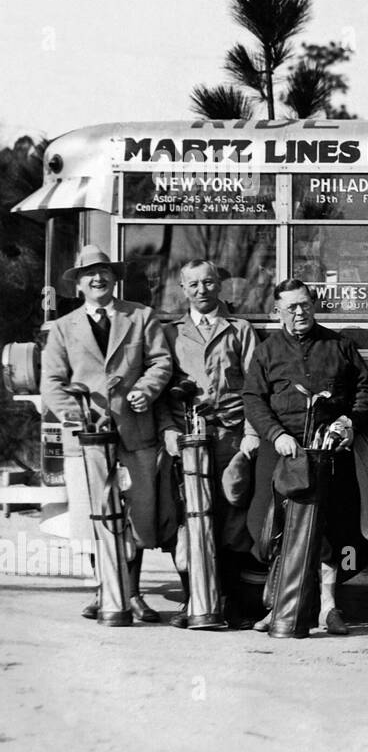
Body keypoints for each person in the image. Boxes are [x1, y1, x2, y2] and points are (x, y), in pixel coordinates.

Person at [40, 245, 173, 622]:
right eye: (89, 273)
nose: (97, 278)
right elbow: (51, 381)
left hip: (136, 432)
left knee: (138, 514)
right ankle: (105, 591)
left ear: (115, 278)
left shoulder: (142, 317)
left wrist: (144, 390)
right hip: (87, 440)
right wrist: (77, 416)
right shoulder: (64, 328)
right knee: (94, 514)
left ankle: (132, 593)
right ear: (79, 283)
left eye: (104, 272)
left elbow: (161, 361)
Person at [243, 279, 368, 636]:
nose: (299, 313)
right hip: (284, 453)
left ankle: (328, 609)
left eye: (304, 305)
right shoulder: (267, 351)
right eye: (291, 307)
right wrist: (276, 435)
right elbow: (253, 399)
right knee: (276, 529)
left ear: (313, 304)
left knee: (329, 527)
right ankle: (279, 607)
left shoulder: (339, 346)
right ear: (277, 312)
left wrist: (348, 421)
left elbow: (365, 388)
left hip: (328, 453)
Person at [160, 260, 262, 629]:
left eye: (208, 282)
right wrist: (168, 431)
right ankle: (194, 599)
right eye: (193, 284)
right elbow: (161, 387)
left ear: (220, 286)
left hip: (230, 436)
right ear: (182, 289)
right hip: (187, 440)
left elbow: (255, 386)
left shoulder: (240, 330)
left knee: (234, 518)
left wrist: (252, 434)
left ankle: (229, 603)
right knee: (189, 521)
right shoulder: (171, 333)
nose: (201, 290)